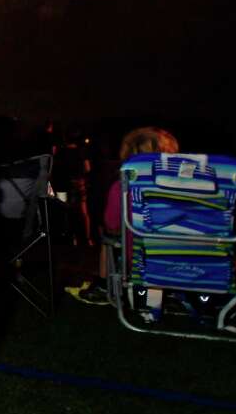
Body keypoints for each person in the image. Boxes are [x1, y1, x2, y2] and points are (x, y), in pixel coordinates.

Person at [68, 126, 178, 306]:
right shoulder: (188, 188)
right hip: (184, 257)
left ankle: (104, 286)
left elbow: (112, 223)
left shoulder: (123, 187)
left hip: (141, 257)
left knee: (107, 236)